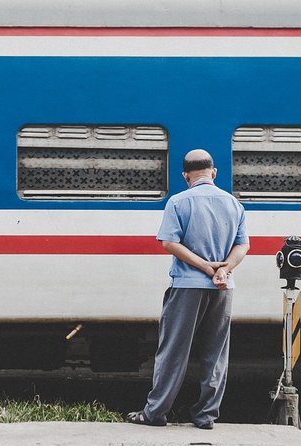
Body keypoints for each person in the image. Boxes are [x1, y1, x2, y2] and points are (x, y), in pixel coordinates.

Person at [126, 149, 250, 429]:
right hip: (223, 288)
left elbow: (169, 242)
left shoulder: (179, 202)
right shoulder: (234, 204)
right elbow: (243, 245)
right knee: (216, 353)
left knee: (173, 351)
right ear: (213, 172)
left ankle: (155, 413)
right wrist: (223, 269)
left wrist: (206, 267)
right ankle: (206, 416)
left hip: (186, 286)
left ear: (185, 175)